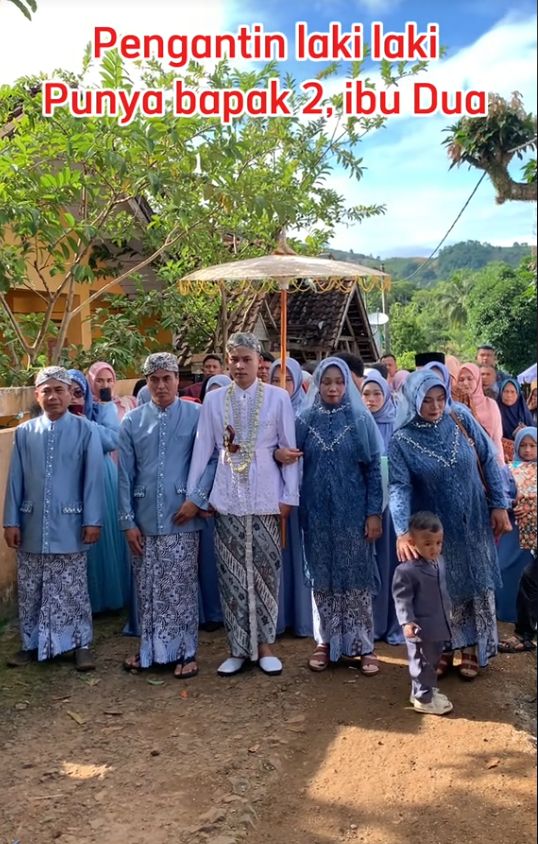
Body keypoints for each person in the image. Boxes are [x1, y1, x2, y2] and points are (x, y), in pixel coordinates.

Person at [186, 332, 299, 677]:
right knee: (230, 573)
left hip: (266, 495)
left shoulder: (278, 398)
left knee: (266, 571)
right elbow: (203, 449)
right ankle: (237, 647)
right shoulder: (215, 400)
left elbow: (289, 449)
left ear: (259, 362)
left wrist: (289, 496)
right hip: (228, 494)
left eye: (246, 359)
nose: (239, 366)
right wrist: (195, 495)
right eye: (233, 359)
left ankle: (265, 646)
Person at [388, 370, 511, 680]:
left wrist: (499, 504)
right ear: (414, 400)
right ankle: (444, 648)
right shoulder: (402, 440)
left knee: (474, 579)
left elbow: (488, 457)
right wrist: (402, 530)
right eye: (427, 400)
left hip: (473, 520)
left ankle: (470, 648)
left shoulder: (460, 418)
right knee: (441, 588)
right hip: (435, 530)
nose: (435, 407)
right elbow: (398, 487)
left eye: (440, 398)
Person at [3, 366, 103, 671]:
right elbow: (15, 480)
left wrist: (93, 520)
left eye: (59, 390)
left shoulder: (85, 430)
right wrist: (10, 521)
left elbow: (93, 479)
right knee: (31, 586)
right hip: (31, 523)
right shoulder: (24, 433)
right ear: (37, 395)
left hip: (70, 524)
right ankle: (30, 643)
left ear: (71, 394)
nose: (53, 396)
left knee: (72, 587)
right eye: (46, 391)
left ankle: (79, 644)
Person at [118, 353, 211, 677]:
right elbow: (125, 476)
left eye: (166, 378)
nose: (160, 385)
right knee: (148, 587)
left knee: (181, 586)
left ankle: (186, 653)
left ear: (177, 379)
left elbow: (213, 459)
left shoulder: (197, 416)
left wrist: (196, 500)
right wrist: (127, 522)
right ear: (147, 382)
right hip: (143, 518)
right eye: (154, 379)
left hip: (182, 516)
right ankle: (149, 652)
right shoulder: (132, 421)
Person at [296, 358, 383, 674]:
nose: (333, 388)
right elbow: (290, 460)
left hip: (353, 513)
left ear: (347, 384)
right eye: (326, 381)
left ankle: (364, 646)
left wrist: (374, 512)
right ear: (317, 384)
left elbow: (375, 468)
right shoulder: (304, 421)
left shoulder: (360, 419)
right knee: (322, 577)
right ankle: (325, 642)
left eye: (339, 381)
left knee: (355, 577)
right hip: (316, 513)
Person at [67, 369, 130, 614]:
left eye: (78, 392)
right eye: (68, 392)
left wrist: (90, 419)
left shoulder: (101, 409)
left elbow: (113, 439)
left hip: (102, 478)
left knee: (102, 539)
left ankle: (107, 597)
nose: (74, 398)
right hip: (71, 482)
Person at [392, 511, 453, 715]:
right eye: (428, 544)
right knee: (421, 662)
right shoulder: (406, 571)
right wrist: (407, 622)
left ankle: (425, 690)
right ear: (412, 541)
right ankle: (423, 698)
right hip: (420, 628)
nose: (434, 548)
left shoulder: (440, 562)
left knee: (433, 660)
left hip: (439, 623)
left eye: (438, 542)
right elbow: (402, 599)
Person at [270, 358, 314, 639]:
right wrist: (276, 454)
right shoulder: (266, 410)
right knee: (277, 554)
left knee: (301, 554)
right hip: (272, 493)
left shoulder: (308, 411)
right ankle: (278, 616)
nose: (281, 386)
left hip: (303, 492)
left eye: (287, 379)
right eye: (275, 380)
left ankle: (303, 618)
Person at [361, 370, 402, 644]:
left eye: (377, 393)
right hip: (365, 507)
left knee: (393, 566)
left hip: (393, 510)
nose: (372, 399)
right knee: (369, 565)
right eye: (366, 393)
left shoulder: (398, 423)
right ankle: (370, 625)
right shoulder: (357, 423)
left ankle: (395, 624)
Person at [196, 373, 231, 631]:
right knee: (209, 560)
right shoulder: (200, 424)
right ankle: (211, 612)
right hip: (206, 500)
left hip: (232, 496)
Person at [496, 427, 537, 638]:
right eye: (523, 445)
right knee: (505, 567)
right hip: (513, 527)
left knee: (531, 575)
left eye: (533, 445)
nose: (528, 450)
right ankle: (506, 611)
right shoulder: (508, 470)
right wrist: (512, 504)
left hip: (535, 533)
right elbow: (499, 494)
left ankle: (529, 618)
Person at [457, 363, 504, 465]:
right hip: (466, 464)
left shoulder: (490, 404)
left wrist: (501, 466)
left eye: (470, 378)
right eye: (461, 380)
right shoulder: (454, 408)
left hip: (490, 460)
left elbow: (497, 439)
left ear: (478, 380)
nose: (465, 383)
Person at [497, 377, 534, 462]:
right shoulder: (494, 411)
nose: (509, 395)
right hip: (501, 458)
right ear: (501, 393)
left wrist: (525, 432)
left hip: (525, 461)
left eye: (513, 392)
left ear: (518, 394)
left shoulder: (524, 413)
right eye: (506, 391)